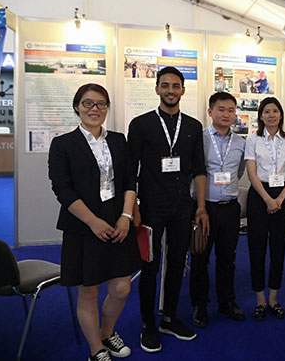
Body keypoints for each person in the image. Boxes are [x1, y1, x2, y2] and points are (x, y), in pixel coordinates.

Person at [48, 84, 140, 361]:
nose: (95, 109)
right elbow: (62, 189)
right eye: (88, 103)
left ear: (107, 108)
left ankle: (106, 333)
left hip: (118, 219)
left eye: (101, 104)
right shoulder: (63, 144)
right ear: (77, 107)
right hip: (82, 224)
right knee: (89, 290)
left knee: (122, 288)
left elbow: (130, 181)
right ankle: (95, 348)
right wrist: (93, 222)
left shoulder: (119, 140)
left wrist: (126, 216)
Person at [128, 66, 207, 353]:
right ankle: (148, 324)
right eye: (165, 85)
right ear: (157, 89)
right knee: (149, 266)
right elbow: (130, 170)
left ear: (183, 90)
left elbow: (199, 170)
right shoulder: (141, 124)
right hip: (150, 207)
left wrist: (201, 207)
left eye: (175, 86)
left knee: (176, 263)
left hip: (182, 207)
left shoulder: (193, 127)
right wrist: (133, 207)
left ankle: (169, 318)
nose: (170, 90)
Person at [190, 92, 247, 328]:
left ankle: (226, 301)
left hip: (229, 208)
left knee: (227, 258)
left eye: (231, 110)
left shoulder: (241, 143)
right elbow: (194, 172)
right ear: (210, 112)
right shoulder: (199, 139)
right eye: (221, 109)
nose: (226, 114)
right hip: (203, 208)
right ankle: (200, 305)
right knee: (200, 258)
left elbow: (239, 172)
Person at [245, 97, 285, 320]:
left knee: (279, 248)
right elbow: (251, 173)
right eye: (266, 111)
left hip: (282, 195)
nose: (271, 115)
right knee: (256, 248)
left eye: (275, 111)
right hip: (259, 196)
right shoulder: (253, 139)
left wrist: (280, 198)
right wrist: (268, 199)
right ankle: (260, 299)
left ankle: (274, 298)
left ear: (281, 115)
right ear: (261, 116)